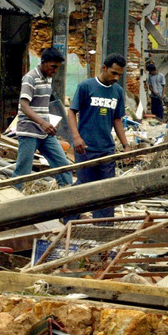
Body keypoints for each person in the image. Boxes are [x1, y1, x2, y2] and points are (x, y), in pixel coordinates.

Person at [66, 54, 131, 219]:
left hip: (106, 150)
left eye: (119, 75)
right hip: (85, 148)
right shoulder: (86, 87)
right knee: (84, 188)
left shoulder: (118, 91)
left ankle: (104, 227)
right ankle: (68, 218)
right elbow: (72, 112)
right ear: (104, 68)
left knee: (107, 191)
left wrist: (126, 145)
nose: (116, 78)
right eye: (113, 73)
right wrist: (76, 137)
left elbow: (117, 119)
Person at [14, 48, 72, 187]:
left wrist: (49, 123)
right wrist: (42, 123)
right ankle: (14, 198)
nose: (55, 70)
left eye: (58, 67)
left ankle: (68, 195)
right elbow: (24, 105)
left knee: (63, 164)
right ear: (43, 62)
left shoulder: (48, 79)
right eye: (53, 66)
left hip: (44, 133)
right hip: (29, 131)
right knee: (23, 170)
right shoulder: (30, 78)